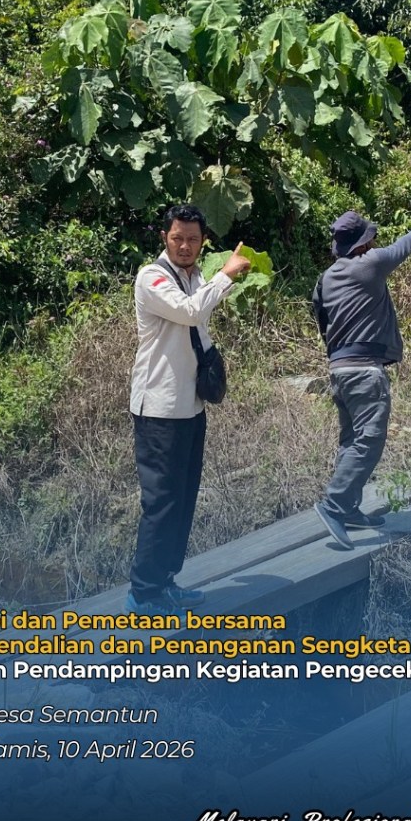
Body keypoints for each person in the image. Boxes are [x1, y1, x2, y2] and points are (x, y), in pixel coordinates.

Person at [126, 204, 250, 610]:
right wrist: (226, 275)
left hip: (190, 406)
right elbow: (190, 311)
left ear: (202, 242)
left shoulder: (195, 276)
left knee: (183, 498)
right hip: (158, 408)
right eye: (178, 238)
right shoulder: (152, 278)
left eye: (193, 239)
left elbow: (199, 326)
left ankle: (165, 581)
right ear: (165, 237)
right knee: (161, 502)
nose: (185, 246)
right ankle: (143, 592)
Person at [311, 211, 411, 550]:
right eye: (370, 238)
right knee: (369, 439)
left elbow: (320, 318)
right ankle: (334, 506)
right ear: (363, 242)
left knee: (351, 440)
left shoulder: (326, 278)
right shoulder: (369, 264)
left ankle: (349, 509)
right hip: (365, 371)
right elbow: (402, 247)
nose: (374, 242)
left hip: (339, 369)